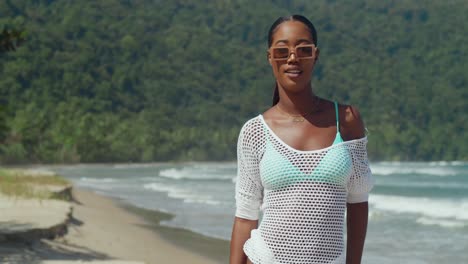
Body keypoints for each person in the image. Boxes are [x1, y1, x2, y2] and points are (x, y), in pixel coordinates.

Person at [230, 15, 374, 264]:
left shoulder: (347, 120)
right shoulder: (255, 131)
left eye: (304, 49)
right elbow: (245, 216)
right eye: (282, 51)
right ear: (270, 57)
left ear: (315, 55)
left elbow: (358, 203)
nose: (293, 58)